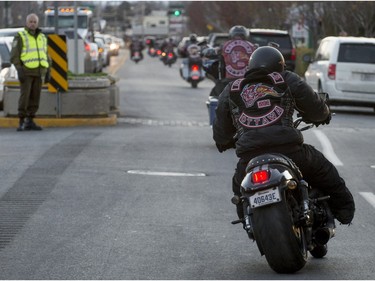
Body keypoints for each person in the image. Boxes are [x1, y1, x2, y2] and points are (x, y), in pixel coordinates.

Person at [212, 46, 355, 225]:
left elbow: (221, 125)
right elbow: (314, 106)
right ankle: (344, 210)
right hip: (288, 150)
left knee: (239, 191)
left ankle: (248, 222)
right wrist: (323, 114)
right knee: (325, 171)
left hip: (250, 156)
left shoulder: (232, 88)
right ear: (280, 65)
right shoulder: (286, 79)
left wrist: (223, 141)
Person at [10, 13, 51, 131]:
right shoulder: (20, 36)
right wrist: (19, 69)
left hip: (39, 72)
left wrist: (49, 71)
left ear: (37, 23)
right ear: (26, 23)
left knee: (35, 97)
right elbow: (14, 55)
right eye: (30, 21)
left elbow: (46, 55)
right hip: (26, 72)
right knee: (25, 97)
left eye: (34, 22)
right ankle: (21, 120)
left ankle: (30, 120)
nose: (32, 24)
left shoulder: (42, 37)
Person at [204, 25, 257, 97]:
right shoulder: (253, 46)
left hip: (228, 80)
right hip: (247, 80)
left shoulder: (224, 45)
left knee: (216, 96)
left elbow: (214, 52)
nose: (238, 37)